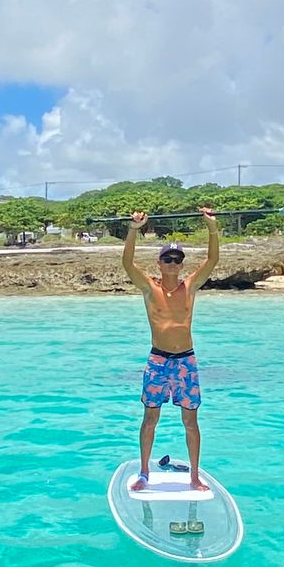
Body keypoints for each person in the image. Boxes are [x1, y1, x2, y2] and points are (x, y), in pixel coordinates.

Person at [122, 206, 220, 492]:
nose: (173, 263)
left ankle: (194, 477)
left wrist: (212, 227)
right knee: (150, 418)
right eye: (168, 259)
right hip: (158, 361)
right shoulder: (149, 289)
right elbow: (127, 263)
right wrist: (133, 230)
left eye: (177, 260)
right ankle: (144, 473)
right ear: (160, 262)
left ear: (181, 265)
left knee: (190, 421)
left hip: (186, 362)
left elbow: (213, 260)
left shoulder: (189, 287)